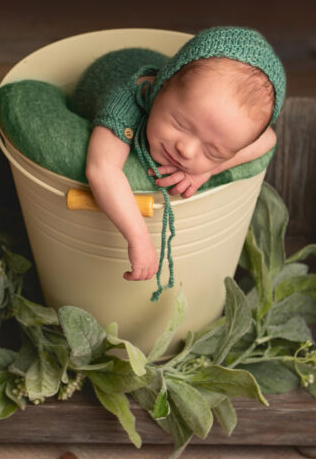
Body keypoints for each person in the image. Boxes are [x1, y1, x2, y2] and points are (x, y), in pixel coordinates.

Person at [70, 26, 286, 285]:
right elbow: (102, 169)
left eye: (213, 151)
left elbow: (268, 139)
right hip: (104, 75)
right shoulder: (126, 102)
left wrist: (209, 170)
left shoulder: (204, 115)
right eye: (180, 124)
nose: (187, 150)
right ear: (162, 86)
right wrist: (138, 237)